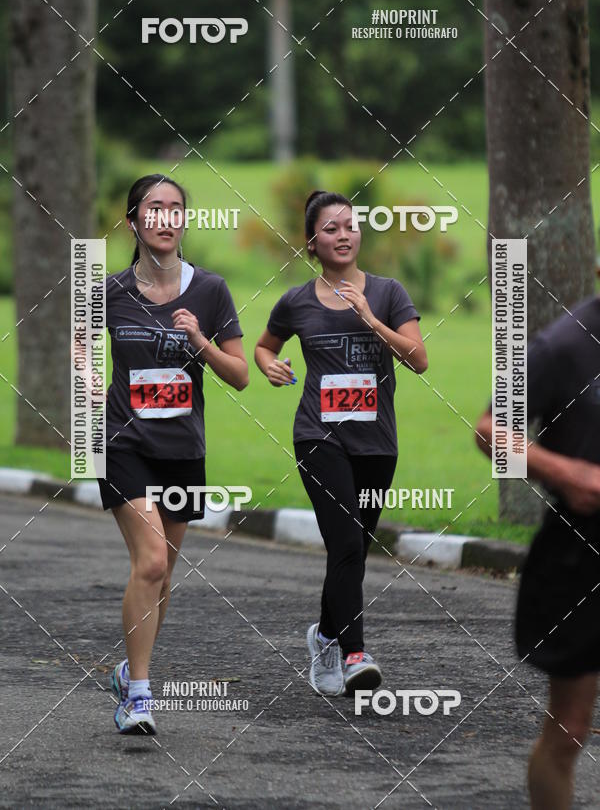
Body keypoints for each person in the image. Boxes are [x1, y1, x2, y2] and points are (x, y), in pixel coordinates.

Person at [255, 190, 427, 697]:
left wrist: (372, 320)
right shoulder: (296, 302)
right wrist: (270, 366)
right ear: (312, 242)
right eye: (331, 228)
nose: (344, 234)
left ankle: (325, 636)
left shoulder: (389, 293)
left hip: (376, 442)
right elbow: (266, 346)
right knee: (347, 542)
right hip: (318, 436)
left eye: (350, 225)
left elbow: (419, 359)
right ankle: (355, 655)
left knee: (352, 551)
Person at [96, 174, 248, 735]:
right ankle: (139, 695)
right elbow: (80, 359)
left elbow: (240, 376)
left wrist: (201, 342)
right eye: (153, 209)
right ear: (133, 221)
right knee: (152, 562)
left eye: (175, 208)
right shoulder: (107, 291)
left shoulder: (209, 290)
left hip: (182, 449)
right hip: (123, 443)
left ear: (185, 220)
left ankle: (127, 670)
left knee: (163, 577)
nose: (165, 218)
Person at [475, 295, 600, 809]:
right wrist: (568, 473)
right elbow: (490, 428)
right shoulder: (564, 344)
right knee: (569, 727)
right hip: (581, 554)